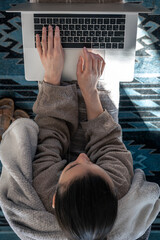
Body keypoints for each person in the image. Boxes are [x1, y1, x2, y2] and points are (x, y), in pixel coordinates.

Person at [31, 24, 134, 240]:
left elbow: (50, 132)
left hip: (59, 148)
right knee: (103, 73)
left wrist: (53, 76)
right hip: (102, 139)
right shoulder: (118, 183)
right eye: (95, 167)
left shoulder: (45, 188)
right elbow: (107, 140)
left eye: (74, 165)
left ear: (54, 199)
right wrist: (89, 90)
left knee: (50, 68)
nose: (83, 156)